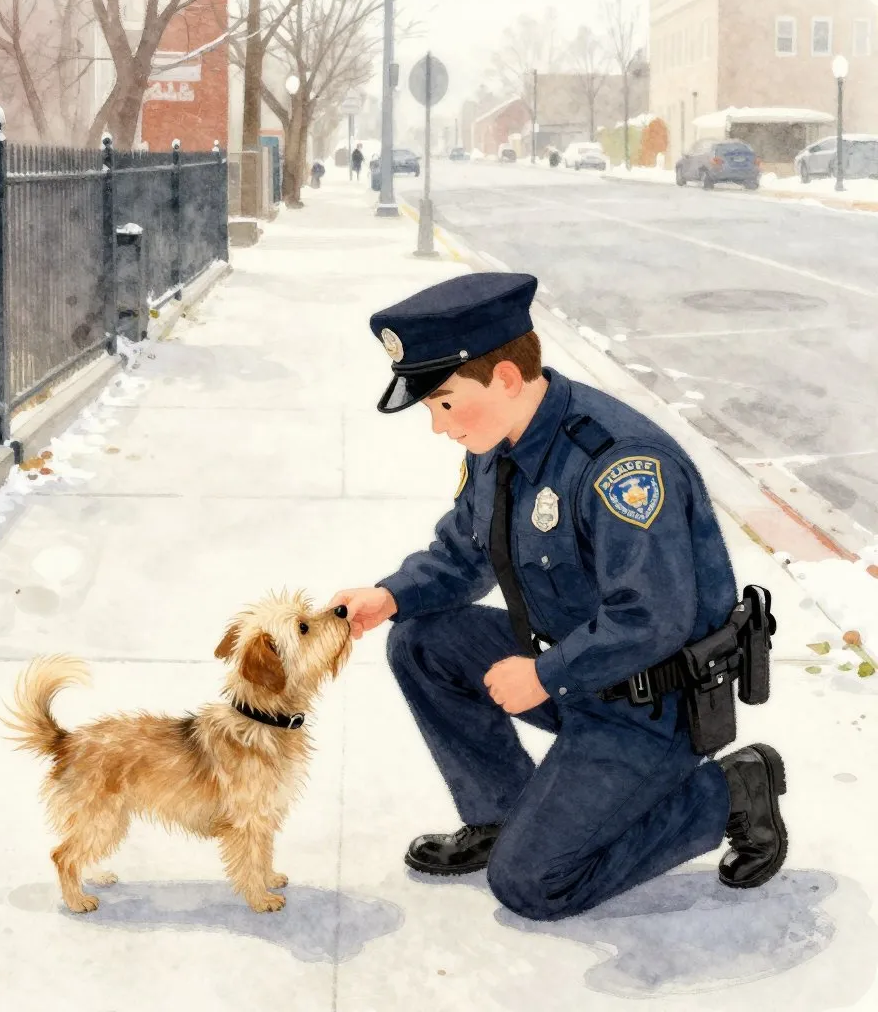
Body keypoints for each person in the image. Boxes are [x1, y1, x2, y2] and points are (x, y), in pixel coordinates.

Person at [328, 271, 788, 922]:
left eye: (445, 404)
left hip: (652, 705)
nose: (437, 426)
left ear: (505, 379)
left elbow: (652, 619)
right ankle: (502, 816)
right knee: (422, 640)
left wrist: (542, 675)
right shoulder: (499, 442)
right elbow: (465, 553)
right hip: (574, 676)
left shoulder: (619, 464)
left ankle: (729, 792)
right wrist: (389, 596)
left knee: (533, 886)